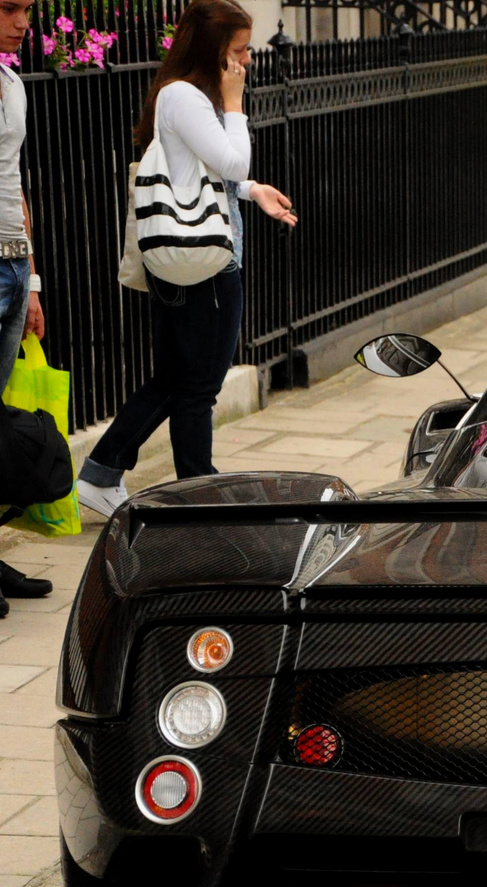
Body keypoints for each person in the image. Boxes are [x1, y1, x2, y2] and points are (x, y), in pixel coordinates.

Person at [75, 0, 296, 518]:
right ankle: (197, 493)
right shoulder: (189, 97)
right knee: (199, 387)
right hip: (205, 261)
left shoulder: (180, 96)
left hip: (188, 254)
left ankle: (103, 472)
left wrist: (251, 190)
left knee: (176, 379)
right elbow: (232, 156)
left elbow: (201, 172)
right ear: (215, 50)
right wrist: (235, 104)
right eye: (240, 50)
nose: (246, 60)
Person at [0, 0, 53, 616]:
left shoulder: (13, 81)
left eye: (28, 10)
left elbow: (14, 181)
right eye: (10, 8)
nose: (23, 22)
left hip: (13, 262)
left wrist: (32, 281)